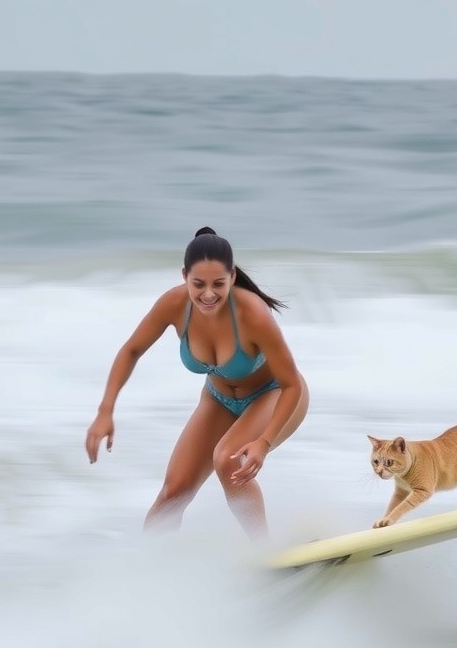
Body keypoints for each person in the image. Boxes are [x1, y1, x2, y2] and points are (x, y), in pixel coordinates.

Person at [85, 227, 309, 537]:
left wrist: (264, 440)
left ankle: (266, 554)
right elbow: (131, 350)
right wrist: (105, 410)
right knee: (173, 493)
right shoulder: (173, 305)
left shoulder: (252, 314)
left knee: (227, 461)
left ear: (232, 277)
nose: (208, 294)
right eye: (198, 284)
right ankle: (149, 569)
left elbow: (291, 385)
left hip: (275, 394)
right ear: (184, 276)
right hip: (218, 399)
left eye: (219, 284)